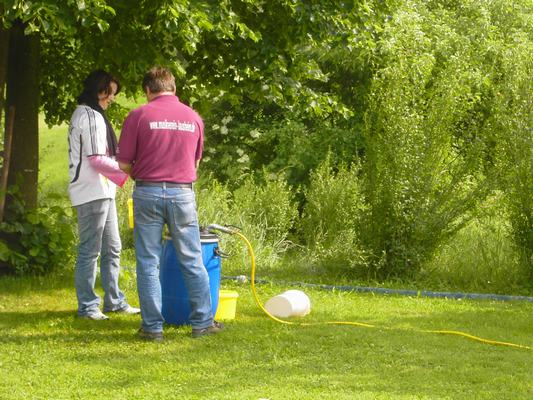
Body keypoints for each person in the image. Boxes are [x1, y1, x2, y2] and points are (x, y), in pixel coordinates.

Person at [117, 66, 223, 341]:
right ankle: (202, 323)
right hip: (182, 194)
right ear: (173, 88)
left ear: (147, 90)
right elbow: (196, 162)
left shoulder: (138, 115)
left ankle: (152, 328)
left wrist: (142, 173)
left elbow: (124, 163)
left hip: (148, 193)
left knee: (148, 261)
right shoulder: (193, 117)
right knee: (191, 258)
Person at [68, 70, 140, 320]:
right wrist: (130, 171)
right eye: (110, 93)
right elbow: (97, 159)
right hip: (90, 190)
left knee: (113, 246)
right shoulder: (88, 116)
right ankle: (87, 306)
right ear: (99, 90)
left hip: (103, 189)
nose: (112, 98)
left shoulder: (95, 114)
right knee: (90, 249)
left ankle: (115, 301)